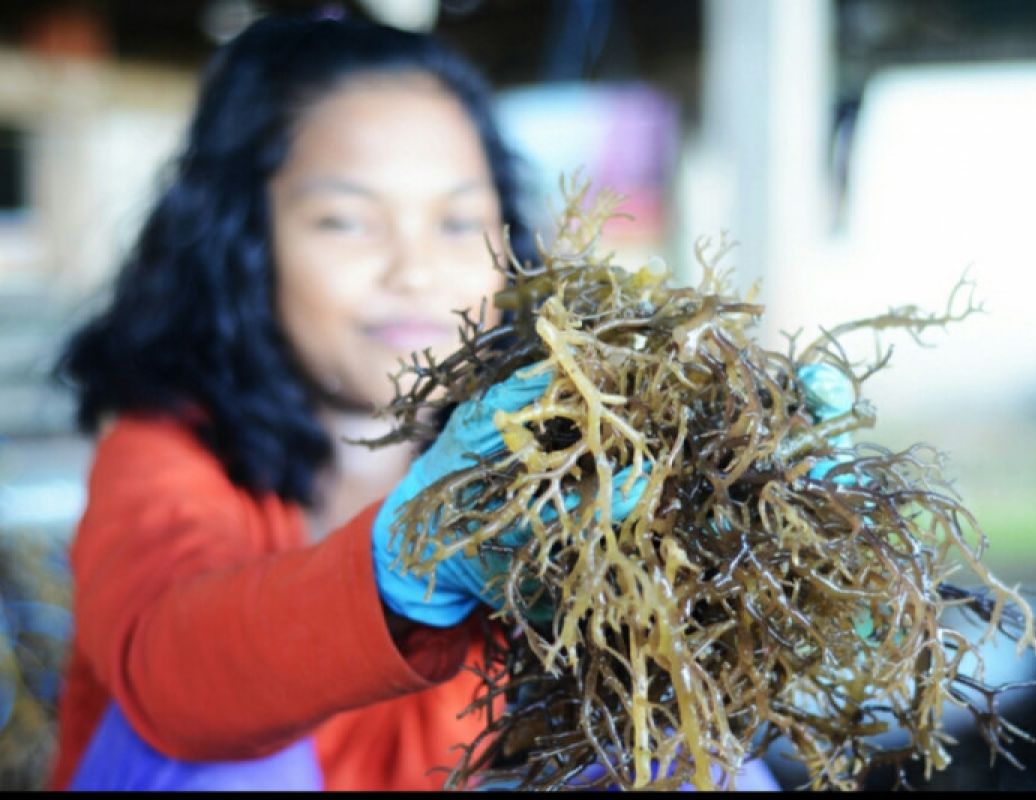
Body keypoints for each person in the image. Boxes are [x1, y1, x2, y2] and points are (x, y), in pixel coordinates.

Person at [42, 14, 800, 791]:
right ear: (241, 243)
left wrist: (753, 516)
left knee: (700, 761)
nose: (415, 270)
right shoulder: (166, 450)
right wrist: (398, 570)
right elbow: (171, 678)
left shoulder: (542, 457)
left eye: (457, 221)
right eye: (346, 221)